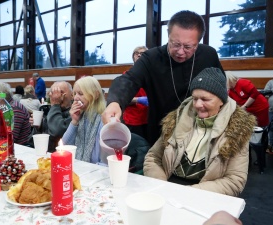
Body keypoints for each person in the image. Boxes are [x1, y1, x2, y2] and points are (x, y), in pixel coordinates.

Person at [102, 10, 224, 146]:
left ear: (198, 42)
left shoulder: (208, 55)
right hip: (162, 135)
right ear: (168, 35)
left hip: (200, 133)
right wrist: (115, 102)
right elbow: (128, 79)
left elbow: (221, 90)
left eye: (188, 46)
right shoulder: (151, 58)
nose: (181, 51)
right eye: (175, 44)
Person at [143, 68, 256, 197]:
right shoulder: (176, 120)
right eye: (195, 98)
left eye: (205, 99)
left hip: (205, 194)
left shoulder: (237, 130)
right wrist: (162, 186)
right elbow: (153, 157)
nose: (197, 104)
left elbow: (234, 180)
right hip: (167, 187)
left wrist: (188, 193)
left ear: (221, 100)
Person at [62, 76, 107, 164]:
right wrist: (74, 121)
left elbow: (106, 161)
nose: (76, 98)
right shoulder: (81, 116)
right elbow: (64, 146)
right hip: (80, 167)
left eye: (81, 93)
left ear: (96, 94)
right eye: (75, 94)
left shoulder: (104, 119)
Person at [29, 81, 73, 152]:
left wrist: (55, 104)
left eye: (61, 92)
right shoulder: (47, 110)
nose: (57, 96)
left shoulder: (74, 112)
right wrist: (39, 127)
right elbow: (33, 141)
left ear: (72, 95)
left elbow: (57, 132)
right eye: (54, 93)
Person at [122, 46, 149, 141]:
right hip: (133, 121)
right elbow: (123, 99)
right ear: (133, 57)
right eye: (136, 53)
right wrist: (138, 100)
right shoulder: (127, 76)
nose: (139, 54)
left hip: (149, 119)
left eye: (142, 53)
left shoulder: (151, 75)